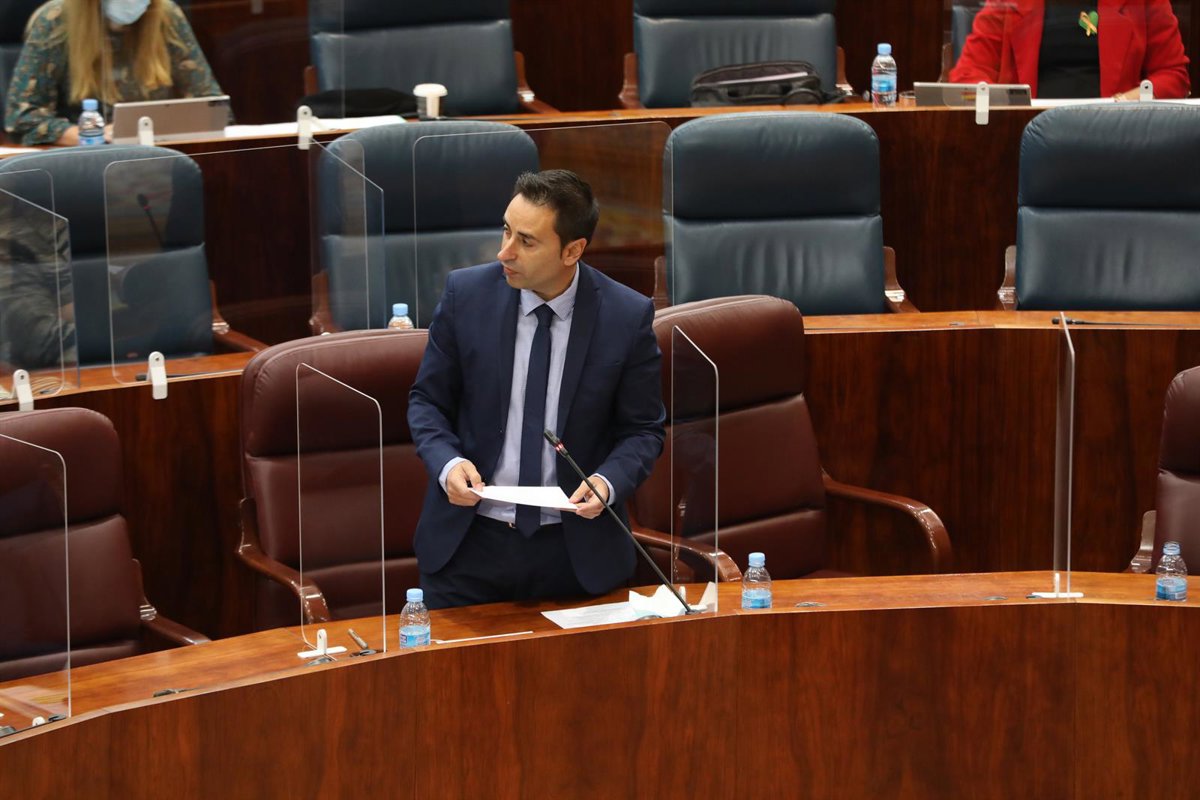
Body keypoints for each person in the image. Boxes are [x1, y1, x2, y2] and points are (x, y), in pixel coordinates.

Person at [408, 169, 666, 609]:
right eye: (506, 230)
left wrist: (607, 482)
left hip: (574, 552)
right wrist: (447, 463)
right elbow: (427, 402)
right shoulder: (465, 296)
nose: (504, 252)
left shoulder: (626, 316)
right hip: (468, 545)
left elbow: (643, 430)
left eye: (526, 241)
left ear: (573, 250)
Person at [5, 0, 224, 146]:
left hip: (155, 157)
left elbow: (213, 107)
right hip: (82, 163)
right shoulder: (56, 19)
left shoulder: (166, 15)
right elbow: (22, 118)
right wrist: (92, 135)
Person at [950, 0, 1190, 99]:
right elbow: (967, 77)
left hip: (1115, 139)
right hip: (1027, 141)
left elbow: (1173, 76)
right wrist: (1011, 110)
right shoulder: (1009, 3)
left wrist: (1125, 103)